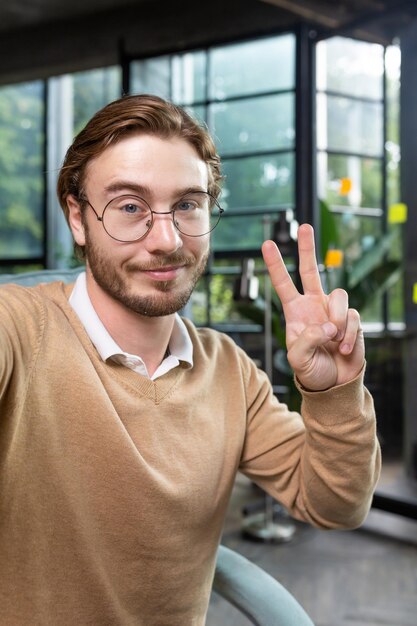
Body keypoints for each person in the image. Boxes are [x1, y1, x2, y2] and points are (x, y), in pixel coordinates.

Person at [0, 94, 380, 625]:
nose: (166, 239)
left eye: (187, 204)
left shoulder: (228, 370)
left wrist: (334, 391)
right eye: (129, 206)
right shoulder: (18, 327)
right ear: (78, 218)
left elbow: (336, 504)